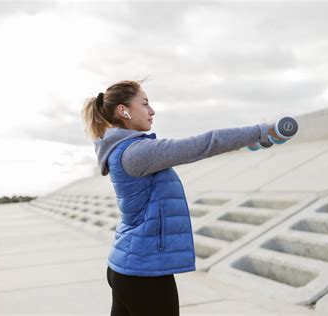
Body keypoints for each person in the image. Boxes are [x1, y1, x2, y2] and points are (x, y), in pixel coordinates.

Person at [81, 79, 274, 316]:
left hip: (130, 266)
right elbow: (203, 145)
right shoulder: (137, 152)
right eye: (144, 104)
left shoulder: (125, 150)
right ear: (124, 111)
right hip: (144, 273)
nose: (152, 111)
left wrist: (248, 141)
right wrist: (261, 131)